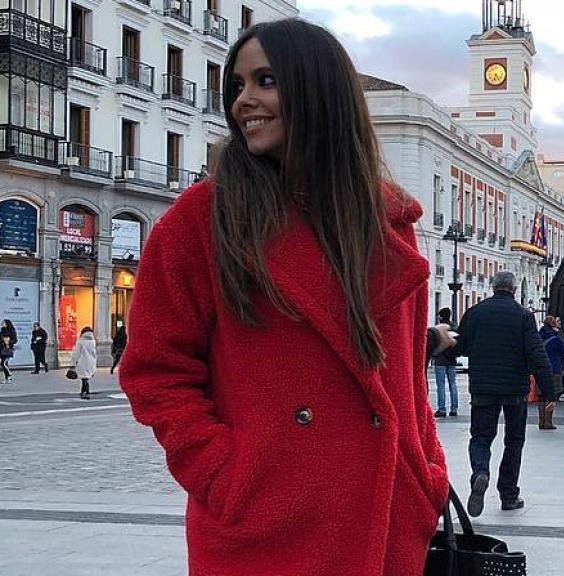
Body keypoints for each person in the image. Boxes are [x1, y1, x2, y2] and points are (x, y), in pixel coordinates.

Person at [120, 20, 450, 575]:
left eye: (266, 81)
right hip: (265, 529)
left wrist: (426, 470)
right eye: (238, 85)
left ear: (320, 91)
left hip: (388, 518)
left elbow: (406, 380)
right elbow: (155, 371)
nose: (244, 101)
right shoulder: (201, 221)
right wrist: (229, 478)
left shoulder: (387, 222)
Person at [454, 271, 554, 516]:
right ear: (513, 290)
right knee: (514, 440)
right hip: (514, 389)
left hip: (482, 387)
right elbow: (536, 354)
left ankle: (480, 472)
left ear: (493, 287)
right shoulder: (523, 316)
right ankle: (508, 495)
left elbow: (461, 347)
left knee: (480, 437)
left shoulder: (475, 313)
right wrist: (549, 391)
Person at [538, 315, 564, 430]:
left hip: (541, 368)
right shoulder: (555, 337)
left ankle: (541, 421)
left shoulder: (539, 336)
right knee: (552, 395)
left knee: (541, 395)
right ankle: (548, 422)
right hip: (554, 367)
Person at [431, 307, 460, 418]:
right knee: (453, 384)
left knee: (441, 385)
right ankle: (454, 408)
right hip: (452, 359)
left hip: (440, 360)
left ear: (440, 316)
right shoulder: (454, 328)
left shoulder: (437, 329)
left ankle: (442, 409)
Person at [71, 326, 97, 400]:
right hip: (91, 361)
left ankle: (86, 393)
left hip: (82, 361)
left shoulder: (80, 341)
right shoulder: (93, 341)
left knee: (84, 378)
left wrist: (73, 362)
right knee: (85, 378)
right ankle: (83, 392)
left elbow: (76, 353)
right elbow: (94, 353)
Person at [1, 319, 17, 383]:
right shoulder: (2, 331)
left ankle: (9, 374)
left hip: (8, 349)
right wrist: (2, 341)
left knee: (3, 363)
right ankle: (7, 378)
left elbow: (15, 340)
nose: (2, 324)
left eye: (3, 323)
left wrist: (8, 342)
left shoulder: (12, 331)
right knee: (5, 364)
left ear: (7, 324)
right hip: (2, 349)